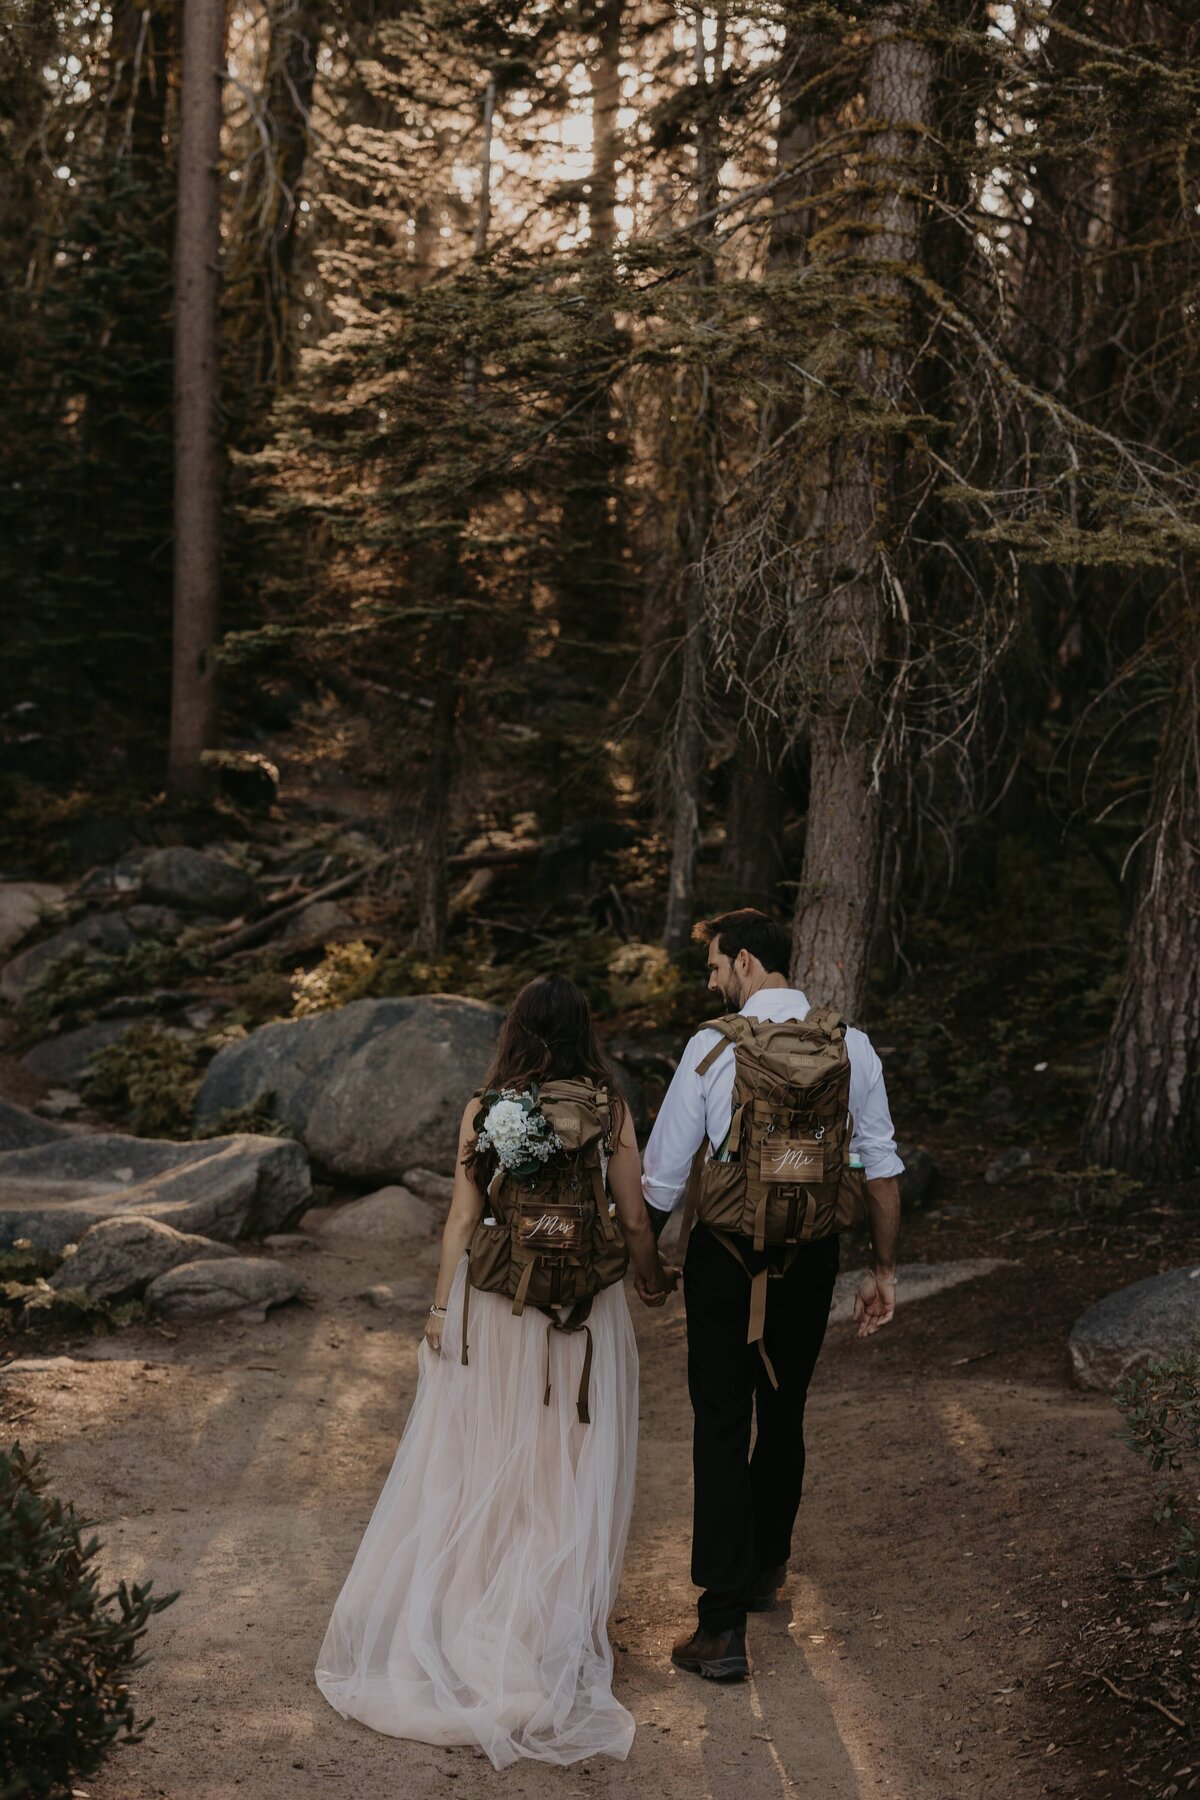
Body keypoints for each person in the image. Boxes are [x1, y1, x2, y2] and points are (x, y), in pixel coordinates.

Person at [316, 975, 672, 1769]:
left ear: (516, 1030)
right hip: (578, 1310)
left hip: (500, 1301)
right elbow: (634, 1213)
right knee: (565, 1458)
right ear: (586, 1032)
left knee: (489, 1455)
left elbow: (462, 1218)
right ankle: (549, 1621)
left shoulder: (489, 1108)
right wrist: (648, 1275)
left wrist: (441, 1311)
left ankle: (472, 1611)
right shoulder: (609, 1107)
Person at [641, 908, 903, 1681]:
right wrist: (882, 1270)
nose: (714, 980)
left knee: (722, 1423)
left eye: (718, 966)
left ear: (749, 962)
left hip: (725, 1262)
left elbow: (661, 1176)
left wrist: (642, 1259)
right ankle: (764, 1571)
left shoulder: (711, 1047)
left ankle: (720, 1629)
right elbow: (880, 1170)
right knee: (783, 1414)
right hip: (810, 1261)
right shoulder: (850, 1046)